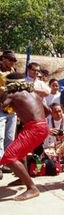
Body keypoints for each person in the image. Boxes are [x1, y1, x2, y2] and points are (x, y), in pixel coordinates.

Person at [0, 72, 49, 200]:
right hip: (42, 126)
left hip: (34, 128)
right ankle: (23, 179)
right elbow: (48, 110)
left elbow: (2, 105)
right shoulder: (35, 94)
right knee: (20, 155)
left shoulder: (12, 94)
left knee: (9, 158)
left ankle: (32, 188)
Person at [0, 50, 18, 178]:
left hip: (11, 109)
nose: (12, 62)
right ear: (3, 59)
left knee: (10, 138)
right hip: (0, 108)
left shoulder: (13, 72)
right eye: (10, 60)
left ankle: (5, 162)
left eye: (13, 60)